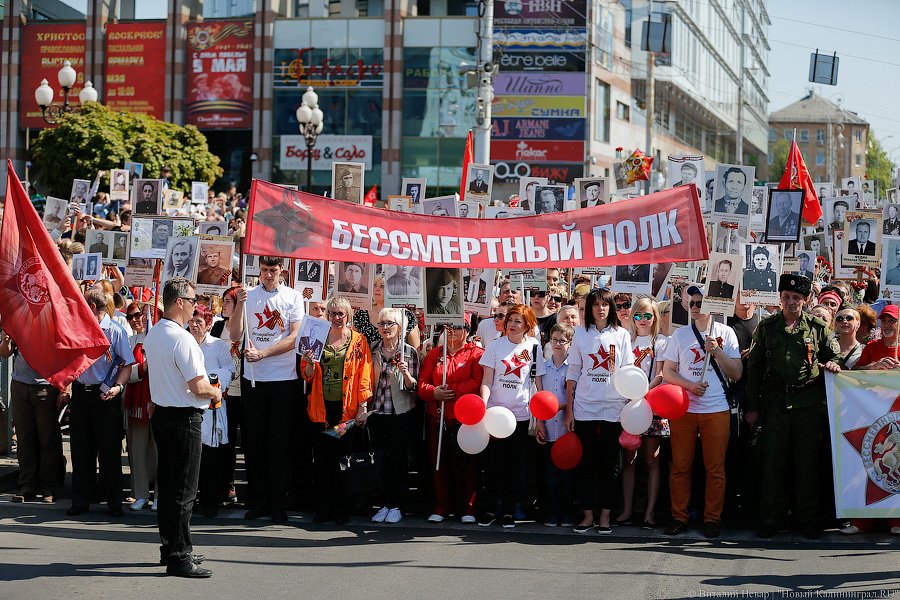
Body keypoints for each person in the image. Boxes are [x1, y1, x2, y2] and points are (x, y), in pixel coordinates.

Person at [745, 274, 841, 539]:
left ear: (806, 300)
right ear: (780, 298)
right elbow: (754, 369)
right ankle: (770, 519)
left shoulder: (818, 327)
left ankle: (807, 519)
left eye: (796, 298)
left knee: (806, 464)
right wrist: (752, 407)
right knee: (773, 463)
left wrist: (833, 363)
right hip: (775, 405)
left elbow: (834, 354)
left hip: (807, 404)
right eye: (786, 297)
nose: (790, 302)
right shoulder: (767, 327)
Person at [144, 278, 221, 578]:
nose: (195, 306)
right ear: (179, 302)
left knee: (170, 487)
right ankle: (178, 555)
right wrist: (215, 392)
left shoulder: (155, 334)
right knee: (184, 491)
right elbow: (198, 385)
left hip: (163, 415)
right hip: (183, 418)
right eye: (192, 300)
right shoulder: (182, 338)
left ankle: (173, 547)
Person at [662, 285, 742, 538]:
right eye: (692, 303)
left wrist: (716, 351)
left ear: (712, 306)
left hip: (716, 408)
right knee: (681, 466)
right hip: (685, 408)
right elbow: (668, 372)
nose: (695, 307)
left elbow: (737, 373)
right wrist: (689, 386)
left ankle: (712, 519)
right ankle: (679, 517)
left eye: (700, 303)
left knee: (715, 468)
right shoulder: (680, 335)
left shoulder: (726, 333)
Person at [230, 256, 304, 522]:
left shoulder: (293, 297)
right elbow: (236, 334)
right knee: (255, 443)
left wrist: (263, 353)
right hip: (254, 380)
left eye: (273, 270)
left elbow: (294, 337)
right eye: (264, 270)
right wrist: (239, 304)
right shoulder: (249, 295)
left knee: (279, 443)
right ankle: (258, 499)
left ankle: (277, 502)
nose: (269, 275)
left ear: (281, 270)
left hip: (283, 379)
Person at [564, 288, 633, 534]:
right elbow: (572, 374)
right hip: (585, 408)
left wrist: (628, 407)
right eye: (596, 305)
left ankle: (605, 516)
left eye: (605, 304)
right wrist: (569, 411)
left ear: (611, 307)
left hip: (614, 408)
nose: (600, 309)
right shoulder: (580, 334)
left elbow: (628, 372)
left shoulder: (622, 335)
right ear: (589, 308)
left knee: (610, 465)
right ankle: (587, 515)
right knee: (586, 464)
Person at [300, 297, 373, 524]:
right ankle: (323, 509)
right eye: (332, 313)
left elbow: (364, 375)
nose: (336, 318)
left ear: (348, 315)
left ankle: (342, 510)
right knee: (322, 460)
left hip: (346, 411)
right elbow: (307, 374)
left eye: (341, 313)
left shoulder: (358, 341)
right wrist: (309, 362)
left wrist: (362, 407)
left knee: (343, 460)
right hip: (322, 410)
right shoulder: (317, 337)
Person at [66, 289, 135, 518]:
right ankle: (80, 500)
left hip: (105, 395)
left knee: (109, 451)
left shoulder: (115, 331)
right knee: (81, 449)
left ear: (93, 307)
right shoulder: (79, 328)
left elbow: (126, 364)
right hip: (81, 394)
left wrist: (118, 387)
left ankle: (113, 502)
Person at [477, 304, 545, 529]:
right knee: (493, 464)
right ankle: (488, 509)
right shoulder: (495, 346)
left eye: (518, 321)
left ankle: (507, 511)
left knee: (514, 466)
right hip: (495, 414)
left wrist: (540, 416)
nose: (513, 324)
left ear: (527, 325)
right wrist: (484, 405)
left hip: (520, 415)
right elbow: (487, 380)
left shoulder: (535, 348)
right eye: (510, 320)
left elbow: (537, 382)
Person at [418, 315, 484, 524]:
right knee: (439, 464)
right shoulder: (435, 355)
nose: (452, 332)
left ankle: (468, 507)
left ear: (466, 330)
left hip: (465, 420)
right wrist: (434, 392)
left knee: (467, 465)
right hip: (437, 418)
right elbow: (422, 385)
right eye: (447, 328)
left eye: (457, 327)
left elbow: (477, 382)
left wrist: (452, 391)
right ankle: (441, 506)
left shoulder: (476, 354)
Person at [618, 298, 668, 529]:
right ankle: (627, 509)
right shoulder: (625, 340)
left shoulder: (662, 342)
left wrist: (644, 391)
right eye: (638, 315)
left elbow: (661, 373)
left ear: (655, 317)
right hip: (628, 406)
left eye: (647, 315)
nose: (642, 320)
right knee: (628, 459)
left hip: (652, 405)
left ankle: (650, 512)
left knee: (652, 459)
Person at [367, 308, 419, 524]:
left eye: (390, 324)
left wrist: (406, 372)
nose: (386, 328)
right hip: (378, 412)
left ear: (400, 328)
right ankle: (384, 504)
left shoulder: (409, 352)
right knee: (381, 460)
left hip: (400, 413)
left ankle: (397, 505)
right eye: (382, 324)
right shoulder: (373, 349)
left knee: (398, 460)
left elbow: (413, 387)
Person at [0, 331, 62, 504]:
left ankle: (48, 486)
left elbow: (64, 354)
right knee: (24, 439)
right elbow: (5, 353)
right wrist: (6, 341)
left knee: (47, 439)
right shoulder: (18, 323)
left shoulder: (50, 322)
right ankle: (27, 485)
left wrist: (66, 388)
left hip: (45, 386)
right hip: (20, 386)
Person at [188, 305, 235, 518]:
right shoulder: (184, 343)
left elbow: (230, 370)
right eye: (192, 321)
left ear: (208, 324)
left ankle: (210, 501)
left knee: (211, 458)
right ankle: (191, 500)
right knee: (191, 458)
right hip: (188, 404)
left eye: (199, 321)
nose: (195, 325)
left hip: (212, 408)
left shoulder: (217, 345)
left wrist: (212, 379)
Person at [534, 323, 576, 527]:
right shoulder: (543, 368)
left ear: (570, 343)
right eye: (554, 340)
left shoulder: (574, 368)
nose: (557, 344)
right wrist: (540, 422)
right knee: (550, 476)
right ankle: (553, 511)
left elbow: (575, 398)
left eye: (562, 341)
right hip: (549, 427)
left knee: (568, 476)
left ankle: (568, 512)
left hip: (567, 429)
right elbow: (539, 397)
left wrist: (559, 406)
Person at [122, 302, 157, 512]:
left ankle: (160, 495)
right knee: (138, 450)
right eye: (132, 316)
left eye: (142, 315)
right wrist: (143, 368)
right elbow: (127, 372)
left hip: (159, 401)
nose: (137, 319)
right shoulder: (129, 341)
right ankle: (141, 494)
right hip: (136, 403)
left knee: (161, 452)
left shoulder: (161, 339)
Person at [353, 273, 420, 349]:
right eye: (375, 285)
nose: (377, 289)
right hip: (367, 360)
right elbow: (354, 343)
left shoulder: (405, 314)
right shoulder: (361, 313)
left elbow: (415, 348)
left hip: (397, 360)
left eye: (382, 286)